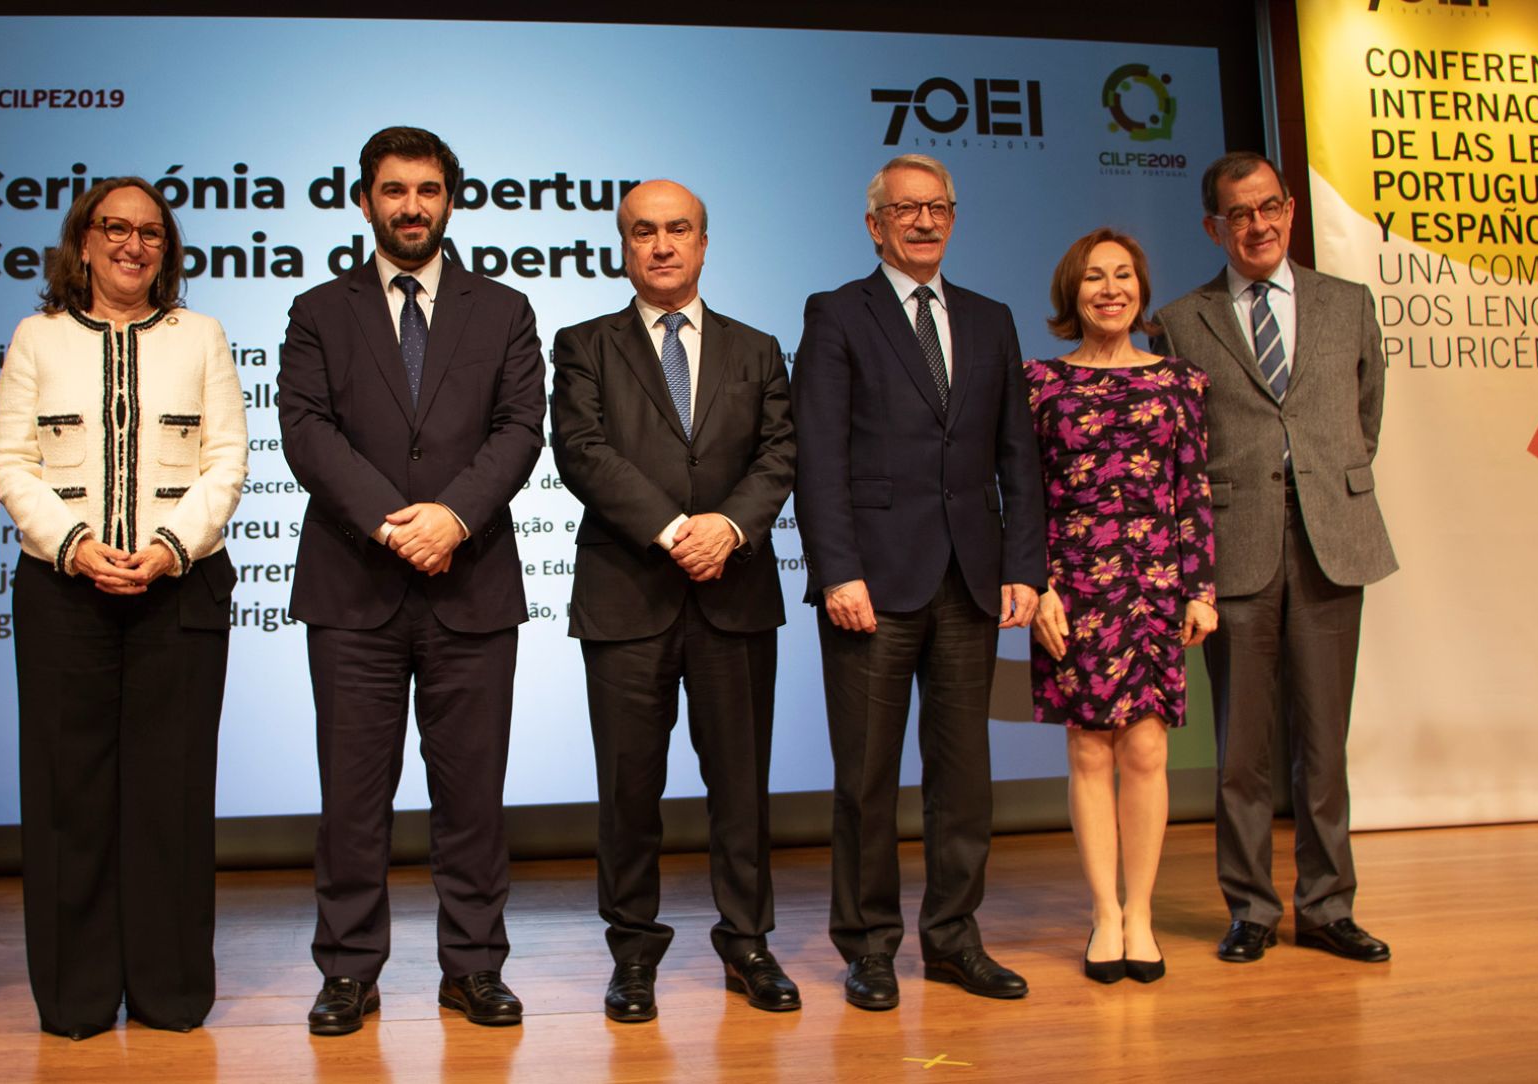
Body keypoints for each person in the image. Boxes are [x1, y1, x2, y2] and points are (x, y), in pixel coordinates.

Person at [278, 126, 545, 1034]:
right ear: (364, 202)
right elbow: (307, 431)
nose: (411, 207)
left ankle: (472, 966)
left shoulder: (504, 309)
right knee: (353, 798)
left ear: (451, 201)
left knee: (472, 796)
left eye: (428, 190)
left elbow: (519, 430)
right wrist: (400, 522)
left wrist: (453, 519)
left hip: (471, 583)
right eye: (393, 191)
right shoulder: (318, 310)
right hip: (355, 586)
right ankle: (349, 969)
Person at [0, 176, 247, 1037]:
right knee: (70, 800)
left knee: (170, 800)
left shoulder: (201, 336)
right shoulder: (36, 337)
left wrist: (171, 546)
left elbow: (227, 461)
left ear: (166, 249)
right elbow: (12, 461)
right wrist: (74, 545)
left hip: (180, 593)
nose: (133, 245)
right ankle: (75, 1000)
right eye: (116, 229)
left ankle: (172, 995)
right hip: (67, 593)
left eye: (150, 232)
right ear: (85, 241)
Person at [792, 153, 1046, 1008]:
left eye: (938, 207)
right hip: (871, 585)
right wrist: (837, 571)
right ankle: (868, 947)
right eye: (906, 210)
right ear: (875, 225)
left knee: (962, 776)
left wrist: (1024, 567)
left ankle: (952, 940)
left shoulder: (991, 318)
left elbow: (1019, 455)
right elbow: (817, 456)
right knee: (866, 779)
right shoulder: (836, 314)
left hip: (971, 580)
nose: (925, 221)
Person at [549, 180, 799, 1022]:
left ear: (703, 242)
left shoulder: (758, 348)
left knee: (741, 785)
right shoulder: (583, 345)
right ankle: (632, 954)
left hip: (734, 592)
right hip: (627, 594)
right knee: (628, 791)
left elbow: (779, 452)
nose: (661, 245)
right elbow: (582, 451)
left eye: (677, 229)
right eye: (644, 231)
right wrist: (671, 530)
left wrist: (726, 528)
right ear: (623, 246)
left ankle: (749, 944)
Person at [1152, 151, 1398, 965]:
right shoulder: (1183, 322)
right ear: (1212, 227)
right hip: (1236, 546)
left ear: (1290, 211)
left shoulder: (1348, 304)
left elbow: (1365, 412)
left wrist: (1326, 480)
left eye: (1268, 208)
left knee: (1325, 742)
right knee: (1244, 746)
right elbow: (1178, 447)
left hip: (1334, 536)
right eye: (1238, 214)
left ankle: (1328, 906)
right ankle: (1251, 909)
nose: (1256, 226)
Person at [1024, 228, 1217, 984]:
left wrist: (1200, 587)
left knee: (1146, 751)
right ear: (1072, 292)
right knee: (1088, 750)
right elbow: (1023, 492)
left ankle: (1143, 913)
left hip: (1155, 585)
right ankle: (1104, 913)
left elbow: (1191, 489)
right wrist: (1037, 584)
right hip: (1073, 587)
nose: (1112, 289)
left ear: (1141, 289)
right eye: (1096, 278)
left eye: (1125, 276)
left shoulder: (1182, 382)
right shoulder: (1038, 383)